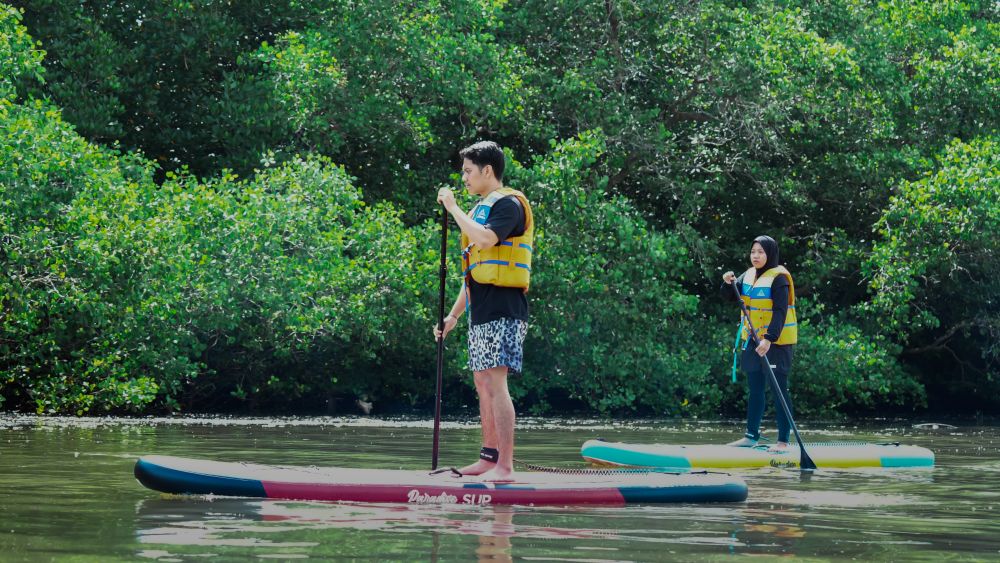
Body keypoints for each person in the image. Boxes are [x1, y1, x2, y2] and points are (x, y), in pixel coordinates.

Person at [433, 141, 534, 481]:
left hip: (506, 306)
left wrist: (452, 208)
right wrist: (454, 316)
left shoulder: (509, 205)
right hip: (482, 308)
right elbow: (474, 273)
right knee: (482, 381)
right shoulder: (480, 209)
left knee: (496, 380)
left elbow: (488, 241)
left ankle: (505, 466)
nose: (464, 178)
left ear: (487, 171)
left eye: (468, 171)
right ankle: (488, 458)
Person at [721, 235, 798, 451]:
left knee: (779, 390)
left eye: (761, 252)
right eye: (753, 251)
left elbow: (781, 312)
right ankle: (751, 436)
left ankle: (783, 441)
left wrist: (769, 339)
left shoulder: (779, 278)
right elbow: (728, 296)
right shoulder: (748, 275)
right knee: (755, 388)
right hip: (753, 340)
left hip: (777, 343)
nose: (756, 256)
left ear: (770, 254)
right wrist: (727, 283)